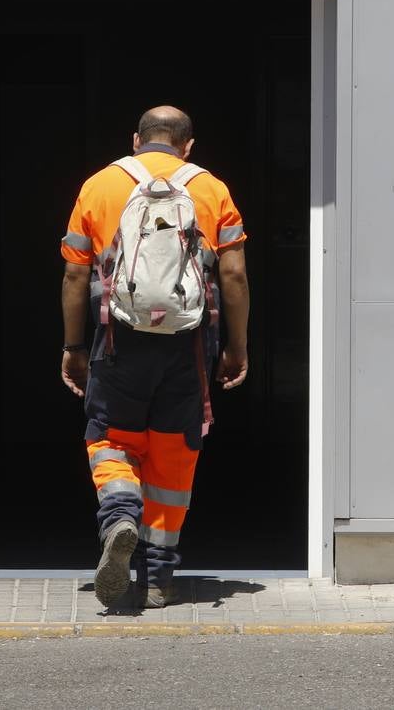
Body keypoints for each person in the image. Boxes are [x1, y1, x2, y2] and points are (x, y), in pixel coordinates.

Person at [58, 105, 250, 609]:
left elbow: (76, 275)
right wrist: (237, 347)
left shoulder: (99, 186)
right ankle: (160, 577)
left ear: (136, 140)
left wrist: (73, 347)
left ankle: (120, 515)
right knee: (173, 454)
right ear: (188, 145)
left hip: (116, 341)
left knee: (109, 438)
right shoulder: (212, 189)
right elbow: (233, 276)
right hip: (189, 346)